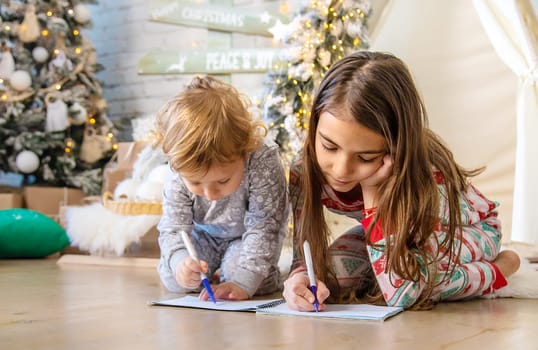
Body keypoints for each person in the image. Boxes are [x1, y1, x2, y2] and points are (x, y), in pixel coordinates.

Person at [283, 51, 521, 311]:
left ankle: (500, 268)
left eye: (364, 157)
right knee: (330, 276)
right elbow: (302, 255)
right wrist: (299, 279)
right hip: (390, 232)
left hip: (463, 230)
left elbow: (403, 296)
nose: (341, 170)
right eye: (329, 147)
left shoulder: (425, 175)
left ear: (395, 147)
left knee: (420, 284)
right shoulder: (302, 171)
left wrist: (372, 190)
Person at [154, 76, 289, 300]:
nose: (209, 194)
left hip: (247, 237)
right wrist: (180, 262)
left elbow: (265, 227)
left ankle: (251, 274)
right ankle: (210, 272)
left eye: (223, 181)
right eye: (196, 183)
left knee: (246, 279)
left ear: (244, 151)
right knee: (175, 278)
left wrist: (243, 283)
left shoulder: (262, 160)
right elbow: (172, 228)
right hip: (203, 236)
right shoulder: (179, 167)